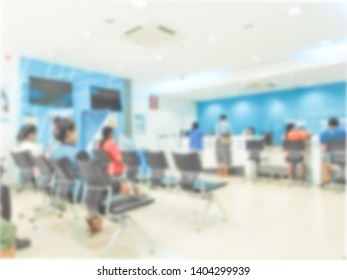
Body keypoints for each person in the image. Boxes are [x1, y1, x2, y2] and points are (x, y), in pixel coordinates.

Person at [320, 117, 346, 185]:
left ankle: (326, 180)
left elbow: (323, 148)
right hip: (343, 156)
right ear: (338, 124)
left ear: (328, 124)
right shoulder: (343, 131)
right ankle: (342, 177)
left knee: (324, 161)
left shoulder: (324, 133)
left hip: (332, 158)